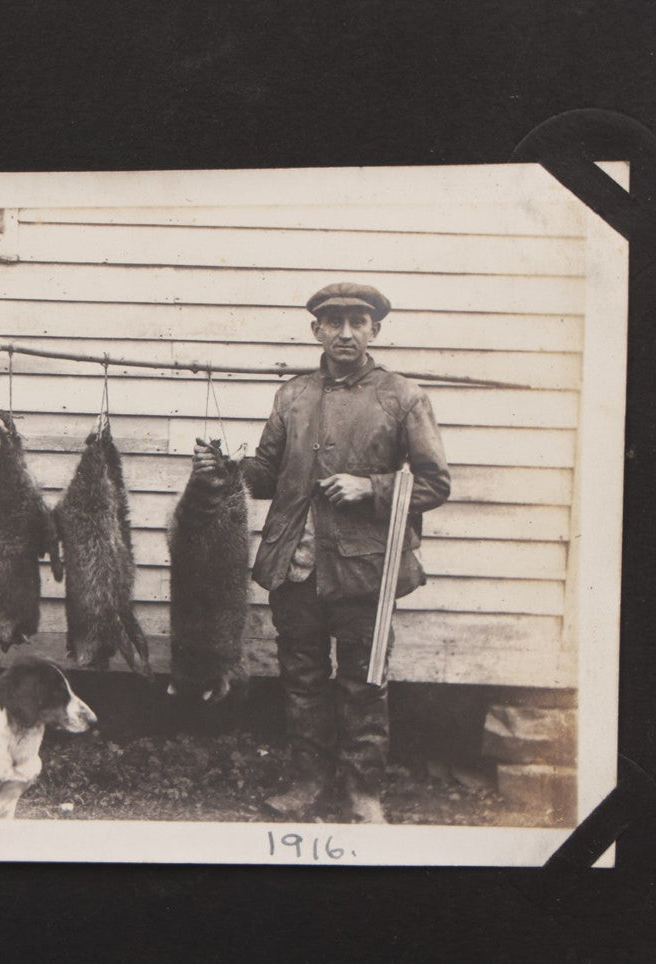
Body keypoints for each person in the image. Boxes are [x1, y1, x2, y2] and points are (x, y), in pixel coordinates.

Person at [194, 282, 449, 822]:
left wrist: (371, 488)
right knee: (302, 679)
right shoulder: (292, 396)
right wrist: (226, 469)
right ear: (317, 330)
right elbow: (266, 476)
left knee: (364, 682)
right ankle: (306, 783)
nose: (346, 333)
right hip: (295, 565)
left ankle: (362, 792)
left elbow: (434, 483)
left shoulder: (403, 396)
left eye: (358, 322)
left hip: (365, 570)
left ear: (375, 330)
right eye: (334, 323)